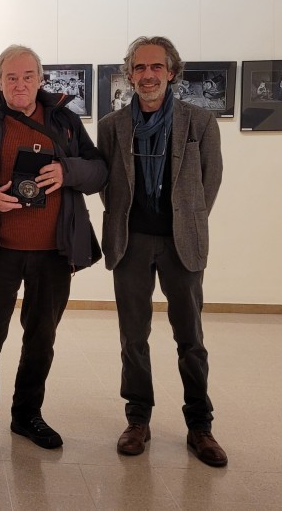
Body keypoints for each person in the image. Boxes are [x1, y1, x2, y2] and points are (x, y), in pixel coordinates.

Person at [0, 44, 107, 467]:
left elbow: (99, 171)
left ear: (41, 79)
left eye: (28, 76)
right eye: (11, 77)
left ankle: (27, 415)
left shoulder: (66, 123)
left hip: (54, 253)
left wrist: (68, 171)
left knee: (41, 341)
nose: (20, 84)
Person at [97, 36, 227, 467]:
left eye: (156, 67)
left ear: (172, 72)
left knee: (190, 338)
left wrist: (186, 219)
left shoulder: (199, 122)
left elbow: (209, 180)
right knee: (133, 338)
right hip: (130, 243)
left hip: (181, 243)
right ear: (129, 74)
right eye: (139, 67)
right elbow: (108, 185)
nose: (148, 75)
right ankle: (138, 420)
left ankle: (200, 426)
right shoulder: (112, 126)